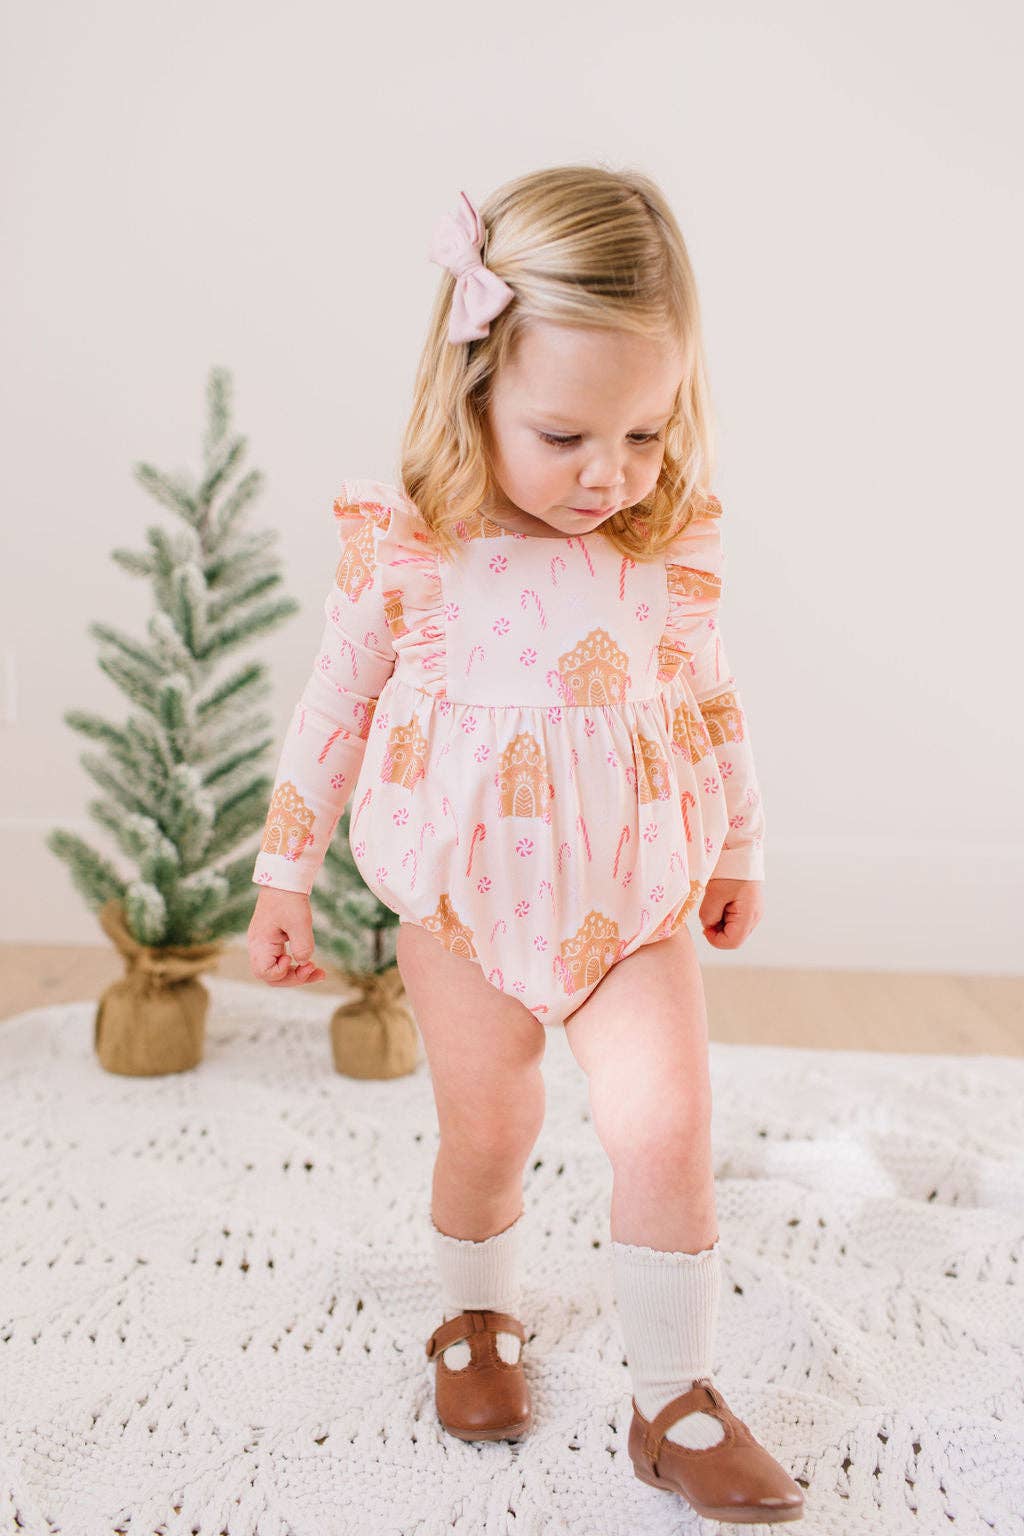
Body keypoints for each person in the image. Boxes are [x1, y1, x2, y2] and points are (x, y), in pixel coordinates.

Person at [247, 167, 804, 1523]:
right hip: (462, 910)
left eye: (645, 431)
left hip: (634, 905)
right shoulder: (414, 549)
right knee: (490, 1126)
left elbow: (713, 702)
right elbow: (333, 710)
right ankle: (476, 1319)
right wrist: (283, 874)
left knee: (667, 1128)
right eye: (565, 435)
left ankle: (675, 1399)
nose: (610, 474)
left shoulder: (660, 549)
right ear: (477, 389)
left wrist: (739, 845)